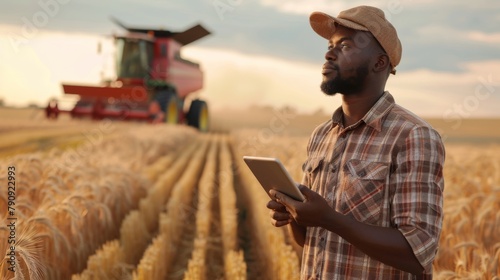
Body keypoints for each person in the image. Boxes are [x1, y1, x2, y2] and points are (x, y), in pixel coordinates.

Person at [266, 5, 445, 279]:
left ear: (379, 63)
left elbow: (418, 253)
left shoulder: (413, 136)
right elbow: (314, 241)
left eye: (345, 46)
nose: (329, 53)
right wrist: (296, 217)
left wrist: (329, 219)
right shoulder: (321, 135)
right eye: (330, 45)